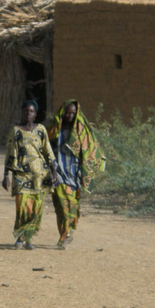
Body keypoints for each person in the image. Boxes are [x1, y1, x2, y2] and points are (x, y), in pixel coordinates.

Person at [48, 99, 106, 249]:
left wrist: (88, 169)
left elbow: (90, 148)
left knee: (72, 206)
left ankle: (69, 231)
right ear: (62, 111)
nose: (69, 115)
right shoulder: (54, 128)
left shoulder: (81, 130)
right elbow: (45, 147)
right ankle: (64, 237)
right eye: (67, 112)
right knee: (61, 206)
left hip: (74, 174)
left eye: (73, 113)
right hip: (58, 172)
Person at [2, 100, 57, 250]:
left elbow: (48, 151)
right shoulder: (16, 131)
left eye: (31, 111)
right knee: (22, 207)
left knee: (35, 209)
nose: (28, 114)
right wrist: (6, 175)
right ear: (22, 112)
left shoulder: (41, 130)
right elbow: (10, 154)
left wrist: (54, 171)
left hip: (40, 176)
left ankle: (29, 239)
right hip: (21, 176)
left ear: (35, 114)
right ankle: (19, 238)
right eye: (26, 111)